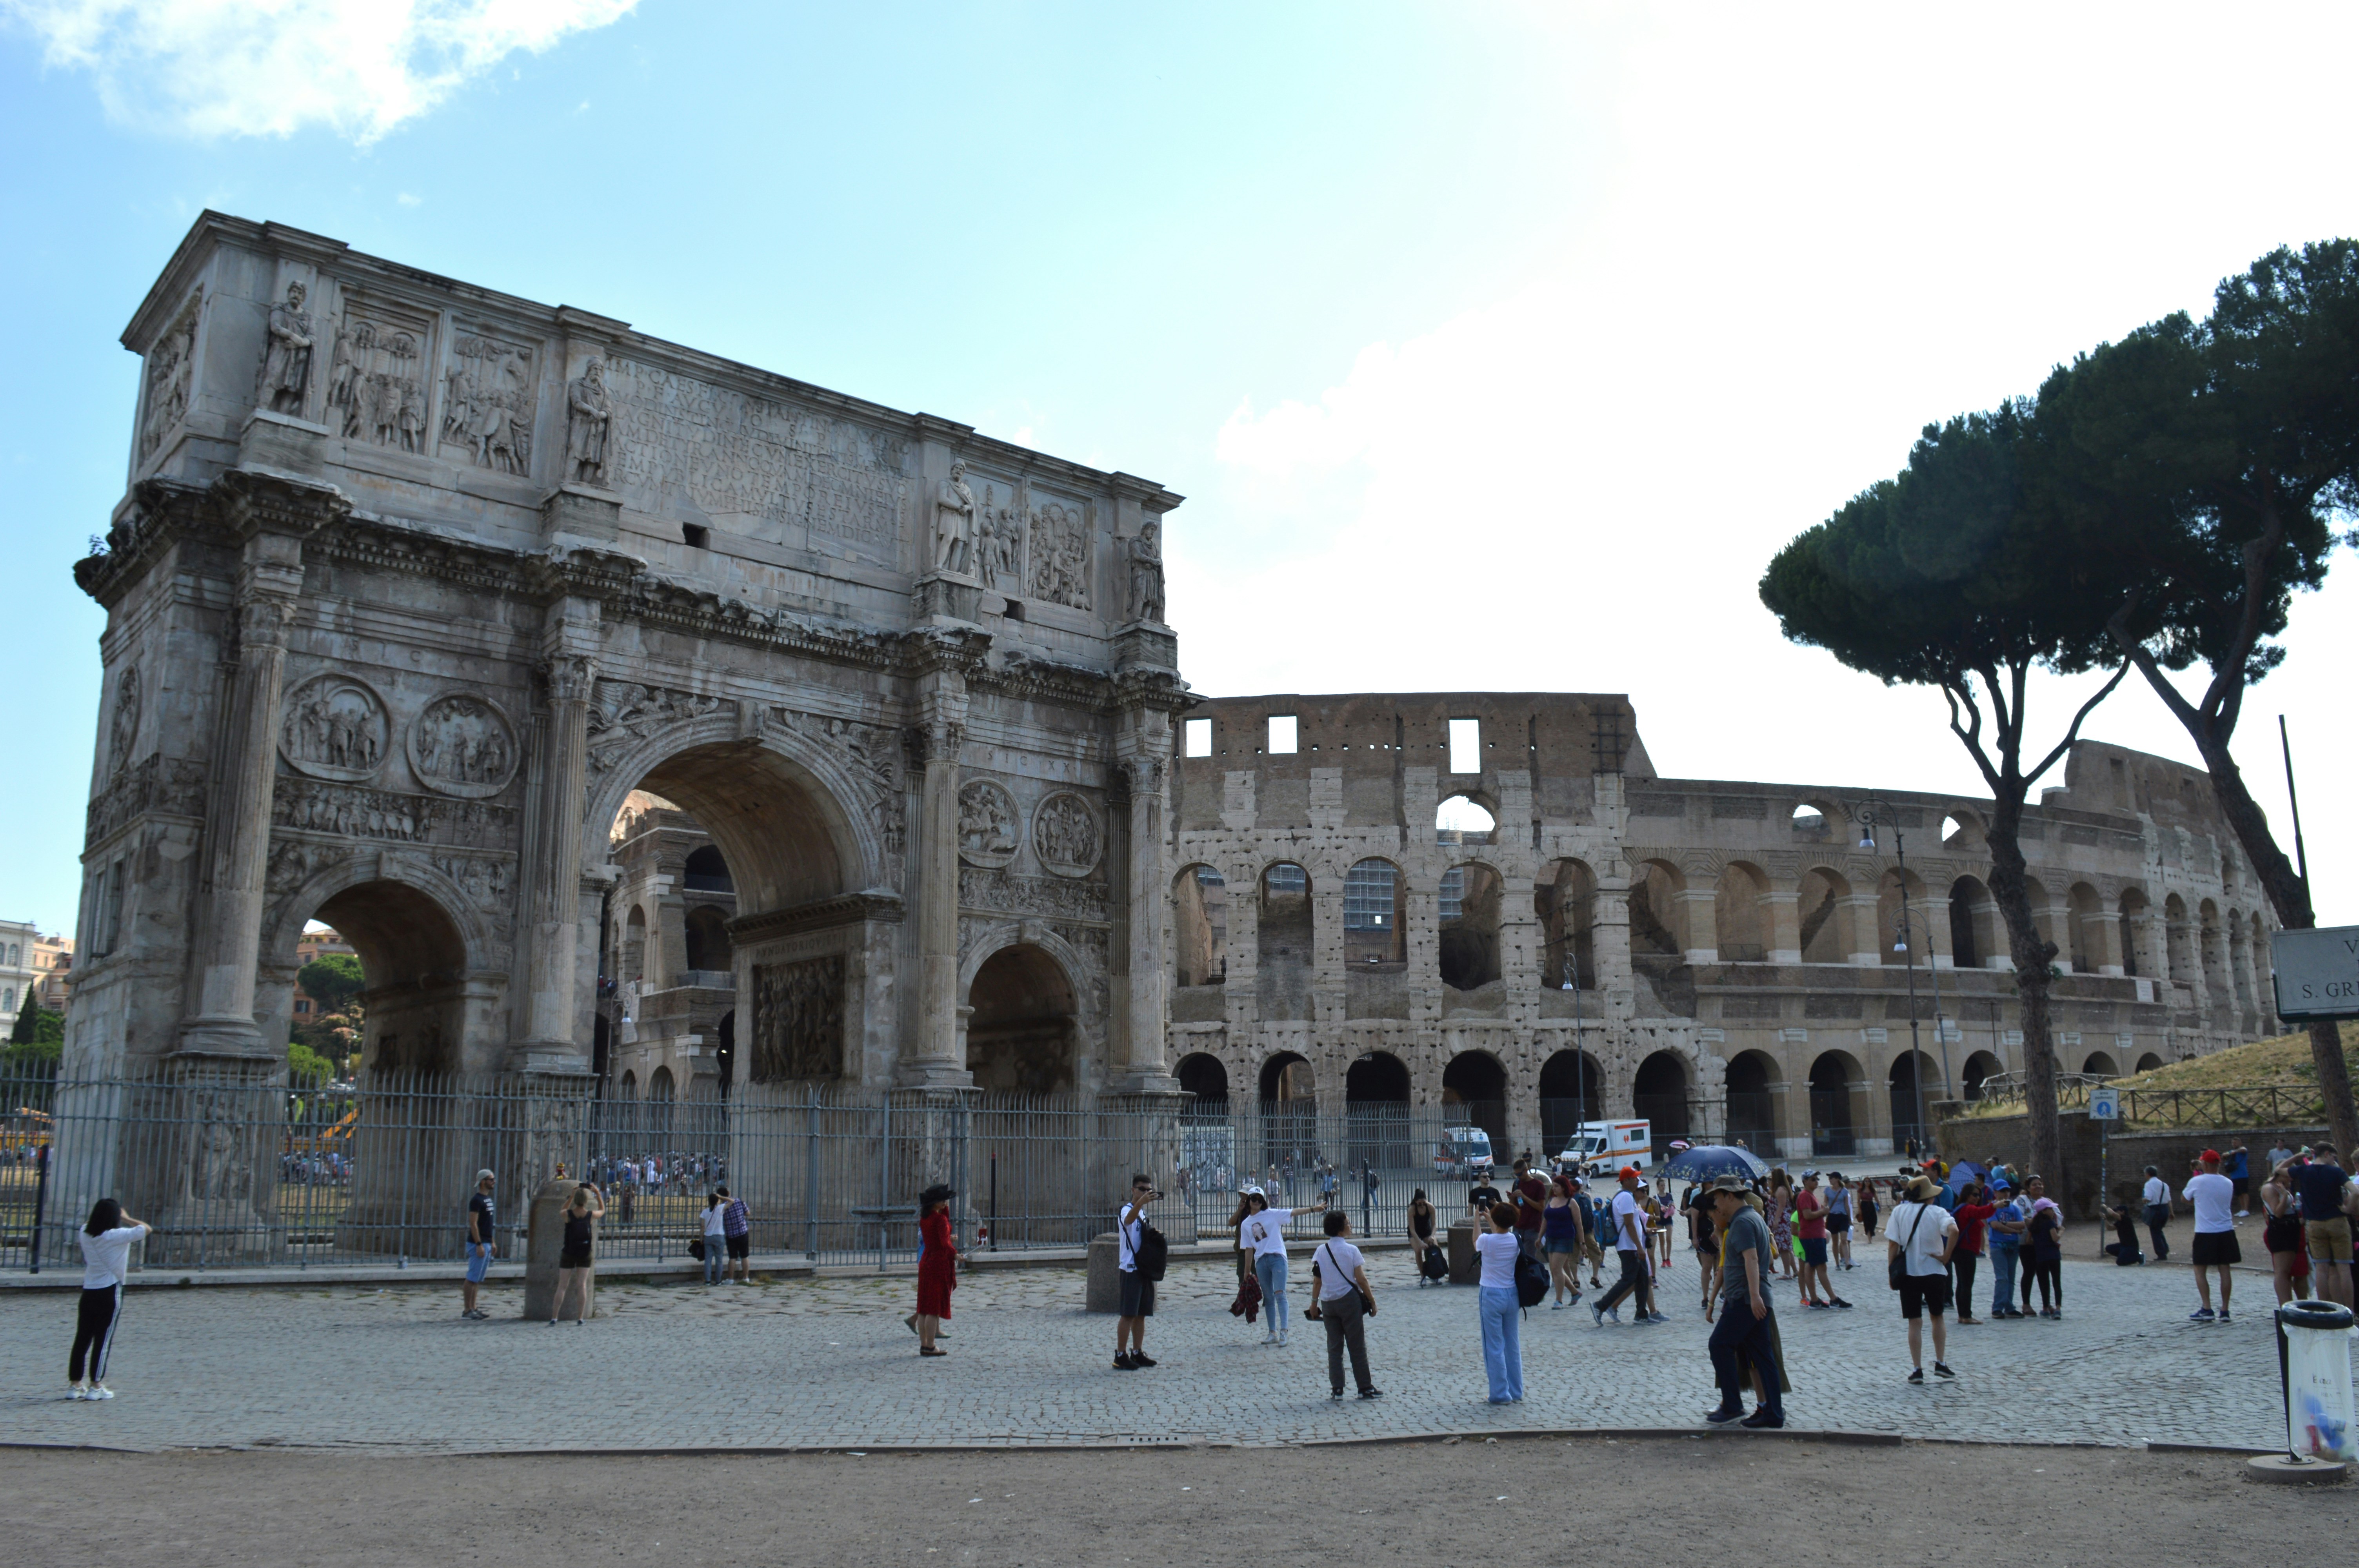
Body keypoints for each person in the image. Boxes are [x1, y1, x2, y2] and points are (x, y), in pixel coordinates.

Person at [1701, 1176, 1786, 1428]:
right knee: (1762, 1356)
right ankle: (1773, 1413)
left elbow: (1751, 1259)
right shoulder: (1753, 1218)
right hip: (1753, 1298)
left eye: (1717, 1197)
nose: (1716, 1204)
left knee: (1719, 1345)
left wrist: (1754, 1296)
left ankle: (1732, 1405)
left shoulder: (1741, 1223)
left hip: (1746, 1300)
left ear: (1729, 1195)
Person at [69, 1198, 150, 1399]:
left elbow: (92, 1225)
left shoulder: (85, 1231)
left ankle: (75, 1384)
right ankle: (96, 1385)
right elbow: (146, 1229)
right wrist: (127, 1217)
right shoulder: (117, 1236)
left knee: (82, 1338)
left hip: (89, 1290)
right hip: (110, 1290)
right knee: (103, 1340)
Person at [1886, 1174, 1958, 1382]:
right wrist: (1946, 1257)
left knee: (1914, 1322)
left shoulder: (1899, 1212)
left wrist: (1891, 1271)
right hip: (1934, 1271)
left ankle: (1917, 1369)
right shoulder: (1938, 1212)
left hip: (1908, 1273)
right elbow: (1954, 1231)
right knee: (1937, 1317)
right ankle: (1941, 1363)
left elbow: (1893, 1245)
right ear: (1929, 1196)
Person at [1309, 1210, 1382, 1400]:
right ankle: (1364, 1387)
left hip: (1328, 1303)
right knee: (1357, 1345)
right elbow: (1361, 1279)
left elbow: (1317, 1281)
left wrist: (1314, 1303)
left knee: (1334, 1347)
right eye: (1348, 1223)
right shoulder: (1352, 1251)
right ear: (1341, 1230)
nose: (1350, 1226)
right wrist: (1372, 1301)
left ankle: (1337, 1389)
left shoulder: (1321, 1251)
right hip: (1349, 1301)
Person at [1241, 1187, 1326, 1346]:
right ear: (1249, 1200)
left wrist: (1313, 1209)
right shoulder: (1246, 1224)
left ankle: (1284, 1331)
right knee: (1268, 1298)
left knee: (1280, 1294)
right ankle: (1272, 1332)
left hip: (1277, 1258)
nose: (1257, 1202)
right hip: (1261, 1261)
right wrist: (1247, 1272)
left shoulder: (1272, 1214)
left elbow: (1293, 1212)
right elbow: (1248, 1249)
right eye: (1254, 1199)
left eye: (1260, 1199)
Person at [1592, 1166, 1661, 1325]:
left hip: (1633, 1246)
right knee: (1628, 1279)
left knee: (1643, 1279)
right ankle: (1600, 1306)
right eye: (1635, 1178)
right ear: (1628, 1180)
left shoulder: (1627, 1196)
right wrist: (1639, 1247)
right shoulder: (1625, 1197)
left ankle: (1641, 1315)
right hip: (1629, 1247)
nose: (1638, 1181)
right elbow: (1629, 1224)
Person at [2290, 1145, 2354, 1308]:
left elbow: (2279, 1170)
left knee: (2322, 1269)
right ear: (2326, 1154)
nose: (2335, 1160)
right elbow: (2357, 1192)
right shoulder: (2336, 1172)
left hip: (2315, 1224)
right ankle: (2350, 1312)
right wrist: (2348, 1209)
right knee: (2344, 1269)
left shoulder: (2303, 1171)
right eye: (2333, 1157)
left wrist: (2297, 1156)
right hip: (2337, 1222)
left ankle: (2325, 1309)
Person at [1475, 1201, 1524, 1403]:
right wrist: (1490, 1219)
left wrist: (1478, 1221)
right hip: (1511, 1294)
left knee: (1493, 1346)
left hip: (1491, 1294)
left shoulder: (1487, 1241)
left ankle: (1499, 1393)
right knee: (1512, 1344)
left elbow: (1477, 1241)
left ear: (1495, 1220)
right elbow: (1502, 1234)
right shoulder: (1515, 1240)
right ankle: (1516, 1390)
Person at [2183, 1150, 2240, 1322]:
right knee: (2225, 1270)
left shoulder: (2197, 1181)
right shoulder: (2228, 1182)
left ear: (2205, 1164)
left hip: (2205, 1231)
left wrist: (2198, 1200)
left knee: (2200, 1270)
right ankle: (2225, 1310)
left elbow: (2185, 1198)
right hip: (2226, 1230)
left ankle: (2207, 1307)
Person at [1115, 1173, 1162, 1370]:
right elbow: (1128, 1221)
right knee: (1128, 1314)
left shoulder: (1141, 1212)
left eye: (1149, 1190)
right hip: (1130, 1268)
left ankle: (1137, 1352)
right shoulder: (1128, 1210)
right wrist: (1141, 1202)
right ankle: (1120, 1355)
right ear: (1133, 1190)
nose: (1146, 1193)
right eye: (1142, 1189)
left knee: (1142, 1313)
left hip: (1143, 1268)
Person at [2260, 1158, 2313, 1306]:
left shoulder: (2283, 1187)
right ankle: (2286, 1306)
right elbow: (2277, 1213)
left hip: (2291, 1229)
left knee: (2291, 1269)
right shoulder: (2270, 1188)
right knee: (2283, 1272)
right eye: (2289, 1174)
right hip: (2281, 1229)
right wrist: (2284, 1196)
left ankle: (2296, 1306)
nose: (2292, 1178)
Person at [1792, 1171, 1847, 1309]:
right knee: (1821, 1267)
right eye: (1813, 1179)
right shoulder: (1805, 1195)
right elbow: (1807, 1215)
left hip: (1814, 1235)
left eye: (1817, 1179)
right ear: (1805, 1181)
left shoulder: (1809, 1195)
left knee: (1810, 1267)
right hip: (1812, 1236)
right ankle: (1833, 1299)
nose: (1816, 1181)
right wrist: (1823, 1213)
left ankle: (1815, 1300)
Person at [551, 1182, 604, 1326]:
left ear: (575, 1200)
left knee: (562, 1286)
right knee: (582, 1285)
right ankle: (580, 1317)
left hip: (569, 1251)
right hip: (585, 1253)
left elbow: (562, 1210)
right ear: (586, 1201)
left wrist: (571, 1197)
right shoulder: (590, 1215)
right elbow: (602, 1210)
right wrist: (598, 1194)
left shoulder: (567, 1215)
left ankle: (554, 1317)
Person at [914, 1183, 956, 1357]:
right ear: (935, 1203)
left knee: (924, 1307)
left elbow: (942, 1233)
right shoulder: (939, 1220)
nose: (946, 1202)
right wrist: (956, 1255)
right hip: (938, 1264)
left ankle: (924, 1345)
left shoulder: (926, 1218)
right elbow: (945, 1243)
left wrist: (945, 1209)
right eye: (943, 1200)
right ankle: (931, 1346)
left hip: (926, 1261)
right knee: (934, 1308)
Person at [1949, 1182, 1996, 1322]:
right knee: (1967, 1284)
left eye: (1979, 1195)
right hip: (1966, 1250)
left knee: (1962, 1283)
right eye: (1974, 1195)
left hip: (1960, 1250)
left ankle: (1962, 1315)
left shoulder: (1961, 1208)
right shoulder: (1968, 1208)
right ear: (1967, 1195)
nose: (1977, 1197)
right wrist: (1994, 1206)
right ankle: (1966, 1315)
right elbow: (1981, 1213)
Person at [2019, 1175, 2063, 1318]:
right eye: (2035, 1185)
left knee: (2043, 1277)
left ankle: (2046, 1305)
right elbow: (2019, 1216)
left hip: (2039, 1246)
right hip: (2033, 1247)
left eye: (2040, 1184)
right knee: (2030, 1272)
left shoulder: (2047, 1202)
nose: (2038, 1187)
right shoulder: (2022, 1200)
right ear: (2028, 1187)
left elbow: (2059, 1216)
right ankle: (2028, 1303)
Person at [1542, 1175, 1585, 1308]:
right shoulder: (1551, 1201)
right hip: (1551, 1238)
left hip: (1565, 1238)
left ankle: (1559, 1300)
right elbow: (1545, 1220)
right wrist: (1540, 1237)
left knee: (1556, 1269)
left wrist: (1583, 1244)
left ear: (1564, 1187)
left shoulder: (1571, 1203)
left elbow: (1579, 1224)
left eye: (1557, 1186)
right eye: (1553, 1186)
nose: (1554, 1189)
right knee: (1555, 1270)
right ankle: (1575, 1293)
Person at [1985, 1182, 2025, 1318]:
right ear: (1996, 1193)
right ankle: (1997, 1308)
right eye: (2003, 1191)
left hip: (2012, 1245)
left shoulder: (2014, 1209)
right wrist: (2015, 1231)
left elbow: (2022, 1224)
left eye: (2008, 1191)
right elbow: (1995, 1226)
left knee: (2011, 1278)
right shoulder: (1993, 1208)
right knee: (2002, 1278)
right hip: (1998, 1245)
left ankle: (2009, 1306)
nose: (2006, 1194)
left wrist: (2006, 1225)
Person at [463, 1169, 497, 1319]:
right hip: (479, 1243)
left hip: (487, 1242)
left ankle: (474, 1307)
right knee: (472, 1278)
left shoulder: (488, 1200)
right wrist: (479, 1244)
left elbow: (489, 1224)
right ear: (483, 1182)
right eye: (491, 1179)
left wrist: (492, 1241)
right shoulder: (476, 1200)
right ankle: (467, 1310)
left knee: (477, 1279)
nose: (494, 1182)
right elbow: (473, 1223)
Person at [1510, 1157, 1548, 1261]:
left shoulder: (1538, 1185)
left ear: (1526, 1170)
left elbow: (1541, 1208)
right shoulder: (1517, 1183)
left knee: (1529, 1260)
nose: (1518, 1177)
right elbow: (1514, 1206)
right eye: (1516, 1174)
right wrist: (1512, 1199)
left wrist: (1524, 1197)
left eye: (1519, 1174)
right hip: (1518, 1227)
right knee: (1515, 1259)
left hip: (1532, 1228)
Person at [1407, 1188, 1442, 1286]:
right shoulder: (1412, 1210)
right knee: (1418, 1250)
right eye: (1419, 1204)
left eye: (1424, 1203)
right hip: (1415, 1232)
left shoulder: (1431, 1207)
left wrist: (1432, 1236)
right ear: (1416, 1202)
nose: (1422, 1206)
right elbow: (1412, 1230)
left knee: (1435, 1248)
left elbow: (1434, 1225)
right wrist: (1420, 1242)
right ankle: (1423, 1275)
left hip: (1427, 1231)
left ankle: (1436, 1274)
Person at [718, 1184, 751, 1284]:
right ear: (728, 1193)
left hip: (731, 1235)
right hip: (742, 1232)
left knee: (732, 1257)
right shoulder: (739, 1202)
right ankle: (746, 1278)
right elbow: (748, 1213)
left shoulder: (722, 1208)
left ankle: (731, 1279)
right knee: (745, 1256)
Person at [2101, 1191, 2145, 1265]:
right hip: (2124, 1245)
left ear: (2123, 1212)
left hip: (2131, 1247)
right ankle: (2126, 1256)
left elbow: (2112, 1214)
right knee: (2109, 1248)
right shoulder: (2119, 1222)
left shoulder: (2127, 1219)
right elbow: (2110, 1228)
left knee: (2120, 1262)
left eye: (2118, 1211)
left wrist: (2105, 1207)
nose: (2117, 1212)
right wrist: (2105, 1219)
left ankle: (2139, 1257)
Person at [2140, 1165, 2172, 1261]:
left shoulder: (2149, 1184)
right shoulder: (2164, 1185)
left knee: (2155, 1232)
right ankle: (2165, 1249)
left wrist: (2143, 1200)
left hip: (2155, 1210)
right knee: (2159, 1230)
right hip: (2164, 1209)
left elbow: (2148, 1198)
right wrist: (2172, 1212)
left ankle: (2161, 1254)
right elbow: (2169, 1199)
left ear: (2148, 1174)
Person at [1826, 1172, 1856, 1271]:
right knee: (1835, 1242)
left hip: (1842, 1217)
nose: (1830, 1179)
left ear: (1837, 1179)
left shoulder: (1844, 1191)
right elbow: (1825, 1204)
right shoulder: (1827, 1190)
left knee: (1844, 1240)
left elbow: (1847, 1206)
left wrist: (1849, 1219)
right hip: (1832, 1217)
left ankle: (1847, 1262)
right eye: (1830, 1178)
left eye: (1832, 1178)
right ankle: (1837, 1263)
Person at [700, 1190, 727, 1287]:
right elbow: (732, 1201)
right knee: (719, 1259)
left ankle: (708, 1281)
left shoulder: (705, 1212)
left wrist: (701, 1238)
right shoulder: (720, 1209)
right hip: (719, 1236)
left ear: (708, 1201)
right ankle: (718, 1281)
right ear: (717, 1201)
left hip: (708, 1236)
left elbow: (702, 1226)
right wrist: (721, 1197)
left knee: (708, 1260)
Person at [2225, 1142, 2251, 1218]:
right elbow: (2225, 1155)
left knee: (2244, 1192)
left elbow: (2244, 1149)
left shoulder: (2242, 1151)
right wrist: (2226, 1154)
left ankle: (2246, 1210)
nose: (2234, 1144)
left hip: (2243, 1175)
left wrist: (2234, 1152)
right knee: (2239, 1194)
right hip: (2234, 1176)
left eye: (2236, 1142)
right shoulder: (2231, 1152)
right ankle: (2242, 1209)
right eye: (2233, 1142)